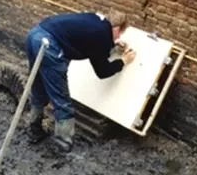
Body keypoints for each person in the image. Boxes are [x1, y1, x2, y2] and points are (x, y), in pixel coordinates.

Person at [25, 10, 136, 153]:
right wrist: (123, 61)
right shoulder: (102, 35)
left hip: (36, 34)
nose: (119, 36)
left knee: (38, 86)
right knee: (61, 98)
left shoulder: (96, 19)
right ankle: (63, 144)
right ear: (116, 29)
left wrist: (112, 45)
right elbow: (102, 71)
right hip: (50, 47)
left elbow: (89, 42)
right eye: (120, 33)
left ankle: (34, 130)